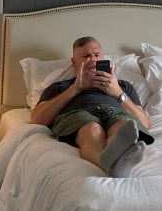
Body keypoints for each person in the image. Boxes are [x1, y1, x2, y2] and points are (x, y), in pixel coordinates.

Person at [30, 36, 153, 177]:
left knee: (124, 126)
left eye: (96, 55)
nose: (93, 59)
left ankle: (115, 162)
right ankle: (109, 167)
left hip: (116, 114)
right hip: (79, 114)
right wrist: (76, 88)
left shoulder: (123, 86)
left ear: (103, 57)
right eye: (86, 56)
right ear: (74, 61)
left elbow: (144, 123)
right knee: (92, 128)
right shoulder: (59, 87)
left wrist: (118, 93)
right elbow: (37, 119)